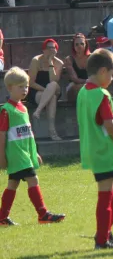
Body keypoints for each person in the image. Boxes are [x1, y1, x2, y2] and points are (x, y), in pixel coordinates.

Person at [0, 67, 66, 226]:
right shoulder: (6, 110)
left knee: (13, 183)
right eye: (20, 86)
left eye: (26, 86)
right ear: (10, 88)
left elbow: (28, 133)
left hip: (25, 153)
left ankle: (2, 217)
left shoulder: (23, 108)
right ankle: (43, 214)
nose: (24, 90)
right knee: (33, 179)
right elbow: (2, 135)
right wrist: (2, 156)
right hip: (16, 154)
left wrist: (34, 152)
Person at [77, 49, 113, 250]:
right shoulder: (100, 93)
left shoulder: (84, 91)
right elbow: (109, 123)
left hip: (95, 149)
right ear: (103, 71)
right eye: (112, 74)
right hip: (103, 150)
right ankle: (101, 241)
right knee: (105, 194)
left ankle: (104, 231)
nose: (112, 78)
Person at [26, 39, 63, 141]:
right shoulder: (36, 60)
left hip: (53, 89)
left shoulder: (59, 63)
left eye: (53, 48)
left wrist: (51, 62)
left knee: (53, 84)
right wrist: (47, 91)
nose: (51, 50)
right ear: (43, 49)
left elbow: (54, 80)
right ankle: (52, 130)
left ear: (56, 50)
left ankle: (38, 111)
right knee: (52, 98)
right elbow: (31, 82)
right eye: (48, 48)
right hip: (37, 90)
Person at [65, 33, 91, 102]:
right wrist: (87, 81)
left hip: (89, 85)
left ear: (86, 45)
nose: (79, 46)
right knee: (79, 88)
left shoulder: (92, 57)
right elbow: (75, 79)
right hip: (74, 86)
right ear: (73, 46)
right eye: (76, 44)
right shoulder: (69, 59)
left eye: (82, 44)